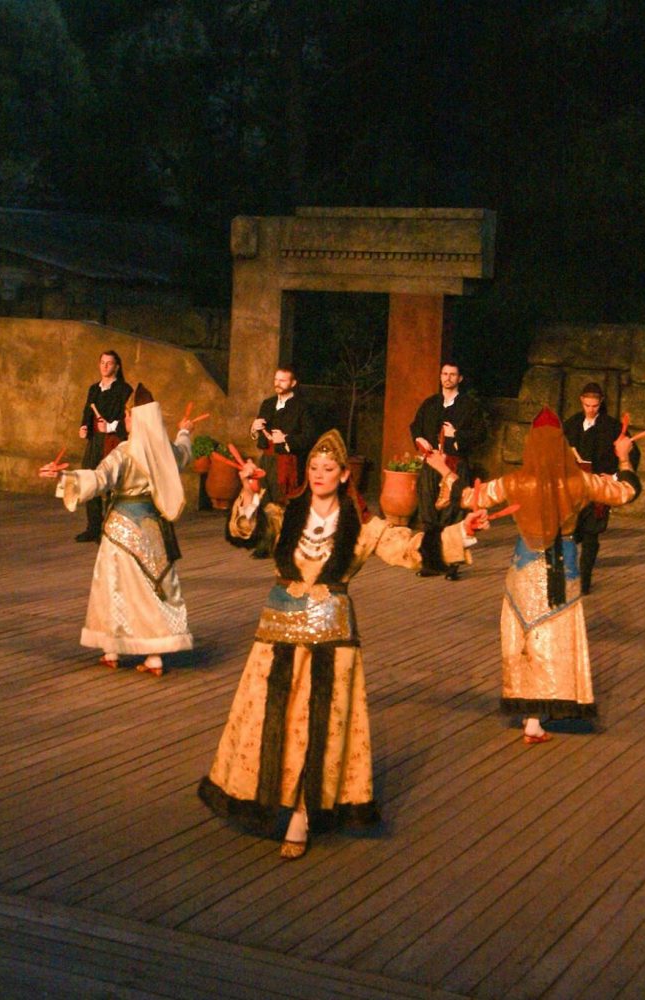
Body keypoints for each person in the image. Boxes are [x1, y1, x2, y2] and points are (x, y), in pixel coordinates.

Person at [198, 429, 485, 859]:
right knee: (270, 718)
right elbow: (245, 532)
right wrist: (248, 493)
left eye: (328, 468)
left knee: (318, 723)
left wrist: (460, 532)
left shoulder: (363, 525)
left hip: (332, 637)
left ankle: (301, 814)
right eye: (313, 467)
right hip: (277, 631)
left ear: (344, 474)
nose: (318, 474)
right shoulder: (284, 514)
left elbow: (407, 549)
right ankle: (263, 797)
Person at [456, 407, 640, 743]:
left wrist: (445, 470)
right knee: (555, 639)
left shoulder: (514, 481)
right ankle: (544, 714)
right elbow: (624, 493)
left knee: (527, 638)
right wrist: (624, 459)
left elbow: (471, 497)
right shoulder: (579, 481)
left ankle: (531, 720)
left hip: (523, 572)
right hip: (564, 572)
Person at [40, 384, 194, 677]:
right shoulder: (165, 451)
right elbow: (184, 453)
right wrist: (184, 430)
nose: (125, 420)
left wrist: (64, 476)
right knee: (153, 589)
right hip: (153, 530)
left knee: (113, 589)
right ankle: (154, 656)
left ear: (135, 419)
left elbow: (99, 479)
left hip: (121, 529)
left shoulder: (125, 452)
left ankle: (111, 650)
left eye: (128, 416)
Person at [410, 362, 488, 579]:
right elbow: (415, 426)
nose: (448, 378)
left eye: (452, 374)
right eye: (444, 374)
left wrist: (457, 434)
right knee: (428, 513)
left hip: (455, 464)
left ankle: (452, 565)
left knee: (452, 515)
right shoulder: (431, 403)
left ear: (459, 378)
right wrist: (419, 439)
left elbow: (481, 435)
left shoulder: (469, 406)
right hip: (431, 463)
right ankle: (431, 563)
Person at [561, 382, 640, 593]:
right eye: (587, 405)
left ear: (601, 403)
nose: (590, 409)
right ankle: (566, 576)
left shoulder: (612, 427)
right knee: (567, 533)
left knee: (590, 535)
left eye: (595, 406)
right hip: (573, 489)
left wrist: (614, 476)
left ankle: (584, 582)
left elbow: (631, 453)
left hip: (598, 488)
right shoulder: (571, 424)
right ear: (581, 401)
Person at [248, 365, 314, 558]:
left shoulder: (302, 407)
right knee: (263, 498)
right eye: (276, 379)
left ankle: (286, 545)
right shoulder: (267, 404)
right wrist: (254, 428)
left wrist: (286, 439)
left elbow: (309, 436)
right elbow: (259, 435)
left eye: (283, 380)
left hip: (287, 461)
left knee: (283, 502)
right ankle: (265, 543)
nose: (277, 383)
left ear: (293, 383)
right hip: (267, 459)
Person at [73, 349, 132, 542]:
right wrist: (84, 426)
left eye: (109, 363)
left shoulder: (124, 390)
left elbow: (128, 417)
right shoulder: (94, 389)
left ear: (117, 366)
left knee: (110, 482)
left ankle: (110, 529)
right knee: (91, 479)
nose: (105, 366)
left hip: (113, 441)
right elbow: (87, 412)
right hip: (95, 441)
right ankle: (93, 527)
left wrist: (110, 426)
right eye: (102, 363)